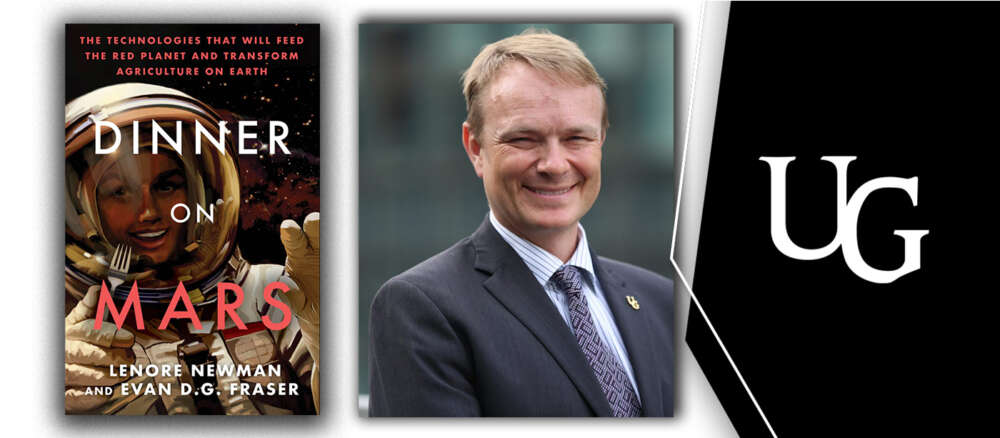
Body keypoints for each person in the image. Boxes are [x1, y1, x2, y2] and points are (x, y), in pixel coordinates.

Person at [368, 29, 674, 417]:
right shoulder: (421, 309)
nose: (554, 164)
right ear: (476, 148)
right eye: (525, 139)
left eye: (577, 138)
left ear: (601, 142)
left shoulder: (664, 302)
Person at [64, 83, 320, 415]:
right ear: (84, 212)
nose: (149, 212)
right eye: (118, 192)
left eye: (166, 185)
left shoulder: (264, 294)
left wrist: (324, 340)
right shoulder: (66, 333)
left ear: (199, 193)